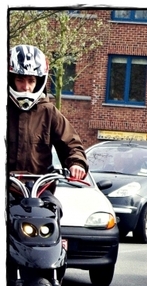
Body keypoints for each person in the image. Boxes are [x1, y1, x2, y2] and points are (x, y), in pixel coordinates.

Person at [7, 44, 88, 208]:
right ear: (9, 79)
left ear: (39, 82)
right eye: (20, 80)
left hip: (39, 188)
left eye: (31, 81)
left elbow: (71, 142)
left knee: (53, 211)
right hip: (6, 187)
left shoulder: (48, 111)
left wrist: (76, 164)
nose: (26, 87)